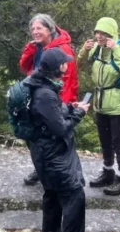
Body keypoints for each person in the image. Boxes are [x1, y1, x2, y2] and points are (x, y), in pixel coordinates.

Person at [24, 48, 96, 232]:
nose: (67, 65)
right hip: (53, 154)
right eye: (64, 63)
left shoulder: (42, 86)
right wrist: (78, 114)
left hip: (45, 152)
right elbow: (60, 129)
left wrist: (68, 108)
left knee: (53, 191)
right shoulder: (45, 93)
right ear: (58, 68)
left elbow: (51, 115)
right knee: (75, 195)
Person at [77, 17, 120, 196]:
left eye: (103, 33)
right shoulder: (96, 48)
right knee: (105, 141)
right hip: (101, 103)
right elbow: (77, 66)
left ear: (112, 34)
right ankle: (108, 173)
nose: (99, 36)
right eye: (97, 32)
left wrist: (116, 50)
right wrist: (83, 51)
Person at [19, 14, 78, 186]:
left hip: (55, 99)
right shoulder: (35, 47)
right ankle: (40, 169)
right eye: (33, 29)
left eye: (39, 28)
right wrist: (30, 49)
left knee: (55, 137)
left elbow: (70, 80)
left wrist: (65, 105)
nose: (35, 32)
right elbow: (24, 67)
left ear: (49, 29)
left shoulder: (63, 50)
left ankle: (57, 172)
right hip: (36, 97)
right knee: (36, 137)